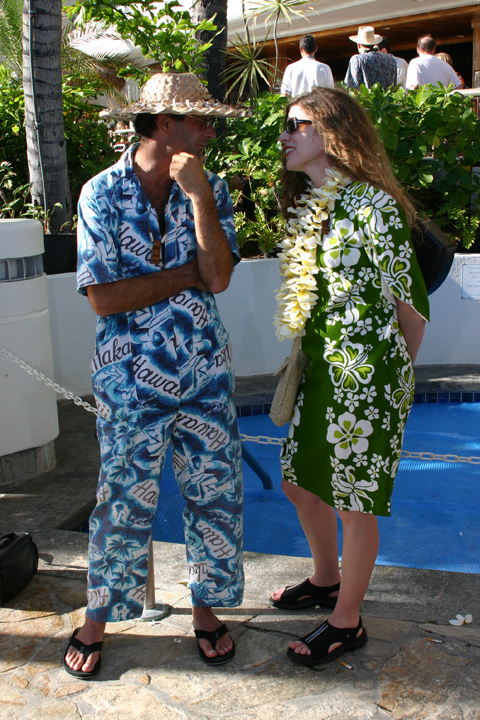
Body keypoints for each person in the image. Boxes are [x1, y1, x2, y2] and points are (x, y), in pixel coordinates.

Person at [63, 72, 247, 679]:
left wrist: (198, 199)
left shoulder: (211, 187)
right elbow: (104, 299)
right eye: (201, 120)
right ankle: (97, 618)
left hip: (205, 373)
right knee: (120, 500)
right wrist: (185, 277)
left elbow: (218, 277)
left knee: (214, 495)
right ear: (165, 125)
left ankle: (205, 608)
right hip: (129, 380)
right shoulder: (101, 193)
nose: (211, 131)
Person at [271, 87, 429, 666]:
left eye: (298, 124)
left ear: (332, 132)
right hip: (321, 368)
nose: (285, 135)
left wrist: (388, 378)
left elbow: (411, 307)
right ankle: (325, 578)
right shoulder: (316, 206)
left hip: (366, 377)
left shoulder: (372, 206)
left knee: (354, 502)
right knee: (298, 483)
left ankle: (347, 621)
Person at [345, 26, 397, 90]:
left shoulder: (357, 59)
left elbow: (351, 87)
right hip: (388, 96)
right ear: (374, 43)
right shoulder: (391, 60)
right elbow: (394, 87)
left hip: (365, 96)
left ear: (358, 45)